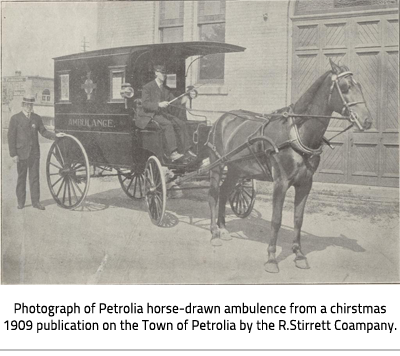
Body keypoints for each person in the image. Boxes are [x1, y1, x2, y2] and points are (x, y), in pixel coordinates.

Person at [8, 95, 65, 210]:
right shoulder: (15, 118)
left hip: (34, 153)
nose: (29, 107)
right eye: (27, 104)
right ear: (23, 105)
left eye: (31, 105)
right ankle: (21, 202)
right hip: (21, 153)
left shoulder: (37, 118)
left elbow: (43, 132)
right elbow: (11, 137)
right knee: (21, 178)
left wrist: (55, 135)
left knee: (34, 178)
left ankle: (36, 202)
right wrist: (13, 154)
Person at [140, 64, 196, 162]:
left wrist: (188, 96)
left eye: (165, 73)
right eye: (162, 73)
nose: (164, 75)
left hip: (162, 115)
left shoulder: (165, 89)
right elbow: (145, 104)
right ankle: (172, 152)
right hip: (151, 115)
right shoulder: (148, 87)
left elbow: (176, 102)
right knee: (168, 124)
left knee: (181, 123)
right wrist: (158, 104)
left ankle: (186, 150)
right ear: (156, 73)